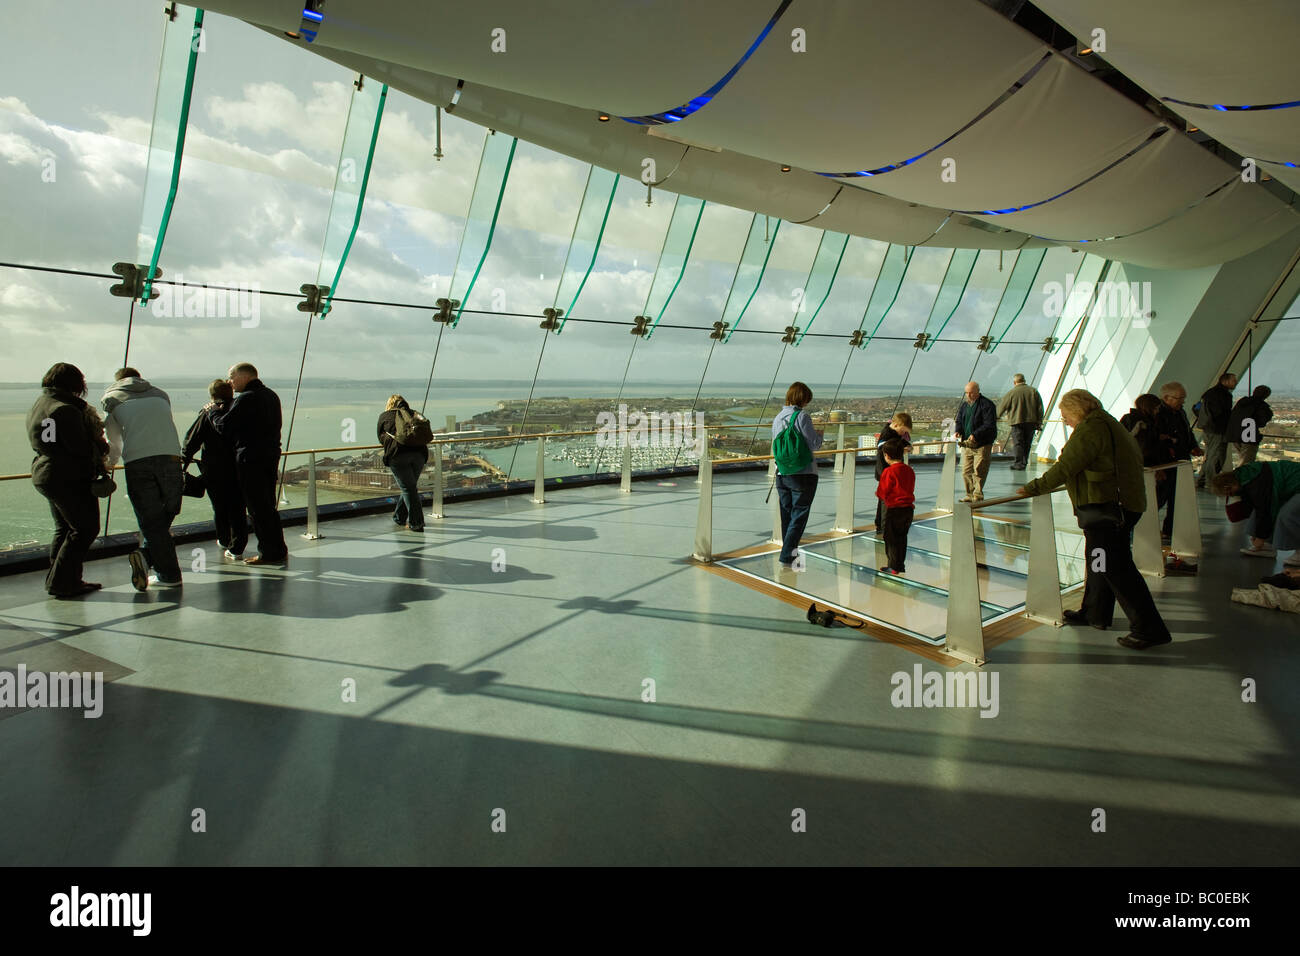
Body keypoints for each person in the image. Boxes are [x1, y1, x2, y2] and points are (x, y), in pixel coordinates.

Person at [1019, 388, 1172, 651]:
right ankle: (1094, 612)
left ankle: (1149, 628)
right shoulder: (1106, 422)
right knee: (1100, 561)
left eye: (1065, 414)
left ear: (1077, 409)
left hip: (1107, 509)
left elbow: (1067, 466)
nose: (1064, 419)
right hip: (1118, 506)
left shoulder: (1092, 429)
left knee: (1116, 568)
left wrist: (1034, 487)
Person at [102, 367, 183, 591]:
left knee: (150, 519)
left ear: (118, 380)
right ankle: (147, 557)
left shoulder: (111, 398)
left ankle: (168, 573)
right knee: (168, 512)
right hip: (171, 458)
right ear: (140, 377)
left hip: (138, 462)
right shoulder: (160, 394)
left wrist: (110, 463)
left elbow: (114, 440)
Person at [27, 363, 103, 598]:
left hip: (46, 473)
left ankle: (63, 579)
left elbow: (52, 442)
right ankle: (62, 581)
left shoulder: (40, 404)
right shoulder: (66, 410)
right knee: (86, 528)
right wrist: (99, 446)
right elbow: (79, 448)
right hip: (67, 475)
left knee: (64, 528)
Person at [209, 362, 288, 566]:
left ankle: (269, 553)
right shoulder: (271, 396)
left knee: (257, 509)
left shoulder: (246, 398)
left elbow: (224, 426)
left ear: (245, 377)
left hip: (250, 460)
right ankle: (278, 549)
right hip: (270, 457)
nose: (230, 382)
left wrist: (212, 412)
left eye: (232, 376)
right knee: (268, 507)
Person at [183, 379, 248, 560]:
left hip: (215, 468)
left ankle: (224, 539)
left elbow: (191, 441)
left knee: (220, 507)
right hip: (239, 466)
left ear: (212, 395)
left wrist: (184, 464)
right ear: (232, 392)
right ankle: (238, 546)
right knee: (238, 507)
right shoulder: (239, 410)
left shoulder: (208, 413)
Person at [771, 381, 824, 567]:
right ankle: (787, 555)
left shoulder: (778, 418)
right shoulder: (802, 417)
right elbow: (813, 444)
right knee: (799, 515)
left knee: (787, 515)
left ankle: (790, 553)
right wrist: (820, 435)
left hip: (782, 472)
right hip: (803, 473)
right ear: (803, 399)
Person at [1212, 461, 1300, 566]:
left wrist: (1260, 537)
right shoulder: (1244, 476)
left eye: (1229, 493)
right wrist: (1257, 534)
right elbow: (1259, 507)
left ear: (1228, 487)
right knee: (1261, 511)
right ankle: (1267, 546)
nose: (1231, 496)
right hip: (1290, 485)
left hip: (1296, 486)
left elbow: (1266, 509)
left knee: (1288, 515)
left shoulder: (1256, 484)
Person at [1154, 382, 1203, 541]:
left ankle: (1169, 530)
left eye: (1183, 398)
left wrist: (1193, 446)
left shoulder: (1180, 412)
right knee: (1161, 496)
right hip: (1167, 462)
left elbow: (1186, 431)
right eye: (1179, 398)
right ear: (1166, 398)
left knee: (1177, 497)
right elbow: (1158, 439)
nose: (1182, 401)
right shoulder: (1159, 414)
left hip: (1181, 460)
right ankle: (1144, 527)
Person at [377, 395, 429, 532]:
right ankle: (399, 517)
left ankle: (416, 523)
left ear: (389, 404)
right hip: (419, 454)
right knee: (409, 487)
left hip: (398, 455)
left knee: (409, 488)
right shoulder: (414, 414)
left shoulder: (385, 416)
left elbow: (380, 437)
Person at [1121, 393, 1173, 514]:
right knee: (1156, 495)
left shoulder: (1131, 419)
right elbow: (1144, 446)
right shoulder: (1143, 423)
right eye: (1156, 408)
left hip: (1137, 463)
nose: (1157, 411)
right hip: (1146, 464)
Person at [875, 438, 915, 575]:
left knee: (890, 538)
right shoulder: (909, 470)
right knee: (902, 537)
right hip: (908, 509)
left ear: (886, 456)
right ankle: (899, 565)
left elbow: (883, 492)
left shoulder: (888, 472)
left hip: (894, 509)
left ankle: (892, 566)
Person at [955, 381, 997, 502]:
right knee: (966, 470)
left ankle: (977, 495)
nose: (968, 395)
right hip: (967, 443)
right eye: (966, 393)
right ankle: (969, 494)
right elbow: (959, 421)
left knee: (979, 470)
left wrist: (976, 434)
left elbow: (989, 424)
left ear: (977, 391)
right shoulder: (964, 406)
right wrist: (958, 431)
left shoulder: (987, 405)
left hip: (982, 444)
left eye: (971, 393)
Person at [1196, 372, 1237, 488]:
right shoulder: (1224, 395)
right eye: (1233, 380)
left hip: (1208, 428)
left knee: (1210, 455)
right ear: (1226, 381)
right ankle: (1211, 482)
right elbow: (1222, 413)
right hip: (1217, 430)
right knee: (1216, 456)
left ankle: (1202, 480)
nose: (1236, 383)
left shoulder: (1210, 393)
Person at [995, 373, 1044, 471]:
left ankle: (1018, 464)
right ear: (1024, 380)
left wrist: (995, 417)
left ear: (1014, 382)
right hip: (1031, 422)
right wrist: (1039, 422)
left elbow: (1001, 407)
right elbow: (1040, 408)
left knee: (1018, 443)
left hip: (1017, 422)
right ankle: (1024, 463)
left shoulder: (1012, 393)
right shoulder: (1033, 391)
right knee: (1027, 443)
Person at [873, 412, 912, 530]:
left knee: (884, 497)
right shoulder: (888, 434)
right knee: (886, 498)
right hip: (885, 470)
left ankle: (880, 522)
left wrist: (906, 445)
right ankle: (884, 524)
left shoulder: (893, 433)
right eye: (903, 431)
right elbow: (884, 445)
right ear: (895, 425)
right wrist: (902, 447)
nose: (903, 434)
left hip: (886, 470)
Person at [1225, 385, 1273, 467]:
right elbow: (1262, 422)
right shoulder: (1261, 406)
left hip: (1234, 434)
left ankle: (1239, 477)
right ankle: (1241, 478)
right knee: (1246, 462)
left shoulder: (1242, 402)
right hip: (1248, 435)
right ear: (1266, 395)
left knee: (1243, 458)